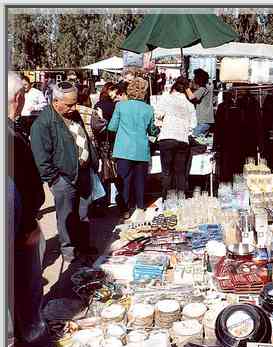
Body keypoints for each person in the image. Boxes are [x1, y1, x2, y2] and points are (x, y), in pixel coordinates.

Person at [30, 81, 99, 264]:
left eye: (75, 102)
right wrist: (55, 179)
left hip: (82, 173)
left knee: (83, 213)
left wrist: (91, 160)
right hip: (63, 179)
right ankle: (69, 250)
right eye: (69, 104)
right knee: (66, 216)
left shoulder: (73, 114)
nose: (74, 107)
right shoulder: (43, 123)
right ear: (55, 102)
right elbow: (41, 158)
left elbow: (83, 138)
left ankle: (83, 246)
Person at [7, 72, 50, 347]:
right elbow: (21, 185)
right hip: (19, 227)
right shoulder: (9, 134)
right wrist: (26, 225)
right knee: (23, 286)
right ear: (18, 98)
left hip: (20, 223)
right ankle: (28, 340)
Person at [108, 77, 159, 221]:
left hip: (123, 149)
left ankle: (125, 211)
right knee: (140, 182)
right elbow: (152, 131)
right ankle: (140, 209)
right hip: (141, 150)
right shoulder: (149, 109)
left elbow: (112, 127)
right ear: (144, 92)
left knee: (124, 181)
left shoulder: (120, 106)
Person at [155, 76, 197, 199]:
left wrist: (162, 123)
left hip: (167, 138)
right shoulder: (189, 104)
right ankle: (181, 199)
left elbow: (157, 116)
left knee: (167, 172)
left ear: (173, 87)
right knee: (180, 172)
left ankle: (166, 199)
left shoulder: (166, 98)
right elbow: (193, 125)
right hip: (182, 140)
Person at [186, 68, 214, 137]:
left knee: (193, 137)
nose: (194, 79)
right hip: (206, 121)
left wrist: (186, 87)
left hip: (203, 121)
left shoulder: (203, 89)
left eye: (195, 77)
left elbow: (191, 97)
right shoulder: (208, 87)